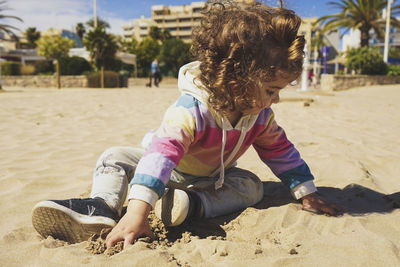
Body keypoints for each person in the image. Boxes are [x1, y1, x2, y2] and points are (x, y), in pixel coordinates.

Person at [32, 1, 340, 249]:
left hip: (208, 180)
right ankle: (102, 206)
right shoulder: (191, 111)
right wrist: (138, 212)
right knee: (114, 156)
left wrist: (304, 191)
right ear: (237, 78)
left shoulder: (259, 118)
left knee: (251, 186)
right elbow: (161, 155)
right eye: (271, 90)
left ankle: (188, 205)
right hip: (161, 168)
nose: (275, 100)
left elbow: (280, 150)